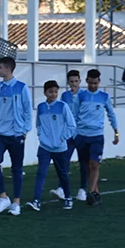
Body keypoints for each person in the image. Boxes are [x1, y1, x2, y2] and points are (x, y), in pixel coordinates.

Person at [0, 56, 32, 216]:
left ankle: (16, 202)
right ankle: (3, 197)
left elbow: (28, 109)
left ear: (8, 69)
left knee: (17, 168)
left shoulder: (21, 87)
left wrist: (25, 130)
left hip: (15, 134)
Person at [30, 80, 77, 212]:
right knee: (41, 173)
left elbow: (72, 125)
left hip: (60, 148)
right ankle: (36, 200)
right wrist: (41, 136)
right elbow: (38, 124)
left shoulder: (63, 106)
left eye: (56, 92)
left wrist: (63, 138)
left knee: (63, 174)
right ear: (45, 92)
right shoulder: (41, 107)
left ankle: (68, 197)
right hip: (45, 147)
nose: (53, 94)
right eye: (50, 92)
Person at [75, 69, 119, 206]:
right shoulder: (81, 96)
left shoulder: (104, 97)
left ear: (99, 82)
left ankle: (91, 192)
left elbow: (111, 114)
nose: (93, 85)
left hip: (97, 136)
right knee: (87, 166)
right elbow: (74, 115)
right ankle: (96, 193)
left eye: (96, 83)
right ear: (87, 81)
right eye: (91, 83)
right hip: (82, 135)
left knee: (95, 164)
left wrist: (116, 132)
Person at [50, 70, 86, 203]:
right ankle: (61, 188)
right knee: (64, 161)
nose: (74, 84)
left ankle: (82, 189)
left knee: (83, 162)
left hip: (82, 133)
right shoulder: (65, 96)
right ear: (68, 82)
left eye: (76, 81)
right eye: (71, 82)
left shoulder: (84, 95)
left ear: (80, 81)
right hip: (69, 133)